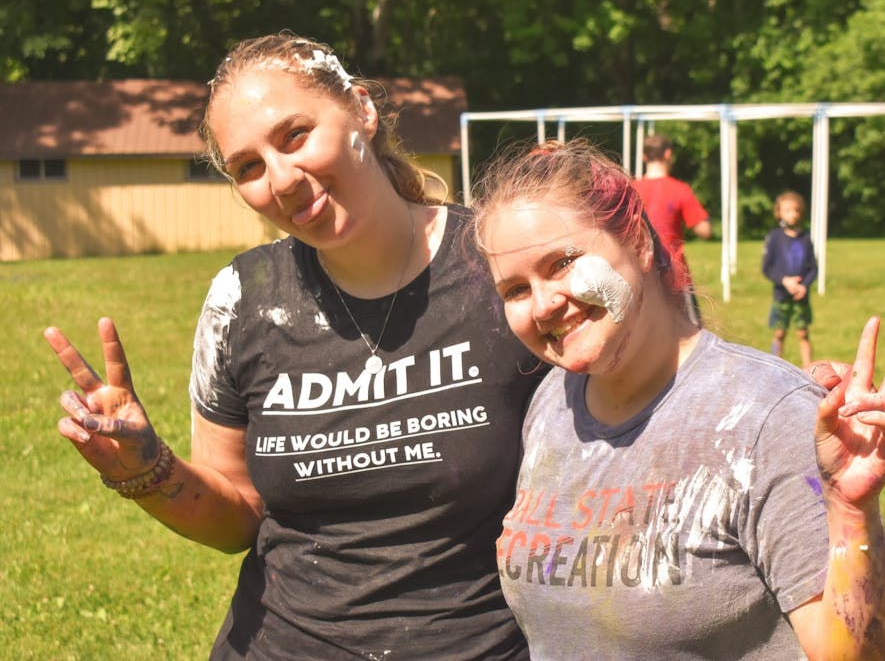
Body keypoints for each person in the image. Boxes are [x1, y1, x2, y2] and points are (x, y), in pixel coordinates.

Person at [42, 33, 546, 660]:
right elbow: (237, 516)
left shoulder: (501, 269)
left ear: (361, 109)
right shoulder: (241, 298)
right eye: (248, 167)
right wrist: (146, 471)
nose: (280, 179)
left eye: (295, 136)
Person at [471, 139, 885, 661]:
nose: (544, 304)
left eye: (563, 262)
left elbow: (870, 656)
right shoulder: (550, 405)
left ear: (638, 242)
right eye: (515, 291)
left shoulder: (767, 417)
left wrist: (853, 514)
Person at [633, 133, 711, 324]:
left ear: (644, 157)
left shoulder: (631, 189)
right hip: (674, 276)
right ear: (668, 154)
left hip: (639, 275)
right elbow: (705, 230)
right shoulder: (680, 189)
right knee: (691, 334)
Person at [762, 190, 818, 366]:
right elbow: (767, 268)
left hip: (800, 296)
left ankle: (808, 367)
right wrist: (784, 281)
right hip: (781, 295)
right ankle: (776, 365)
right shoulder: (774, 238)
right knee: (779, 332)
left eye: (795, 210)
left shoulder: (806, 238)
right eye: (787, 210)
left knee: (803, 332)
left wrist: (804, 286)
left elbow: (813, 268)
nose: (792, 214)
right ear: (779, 212)